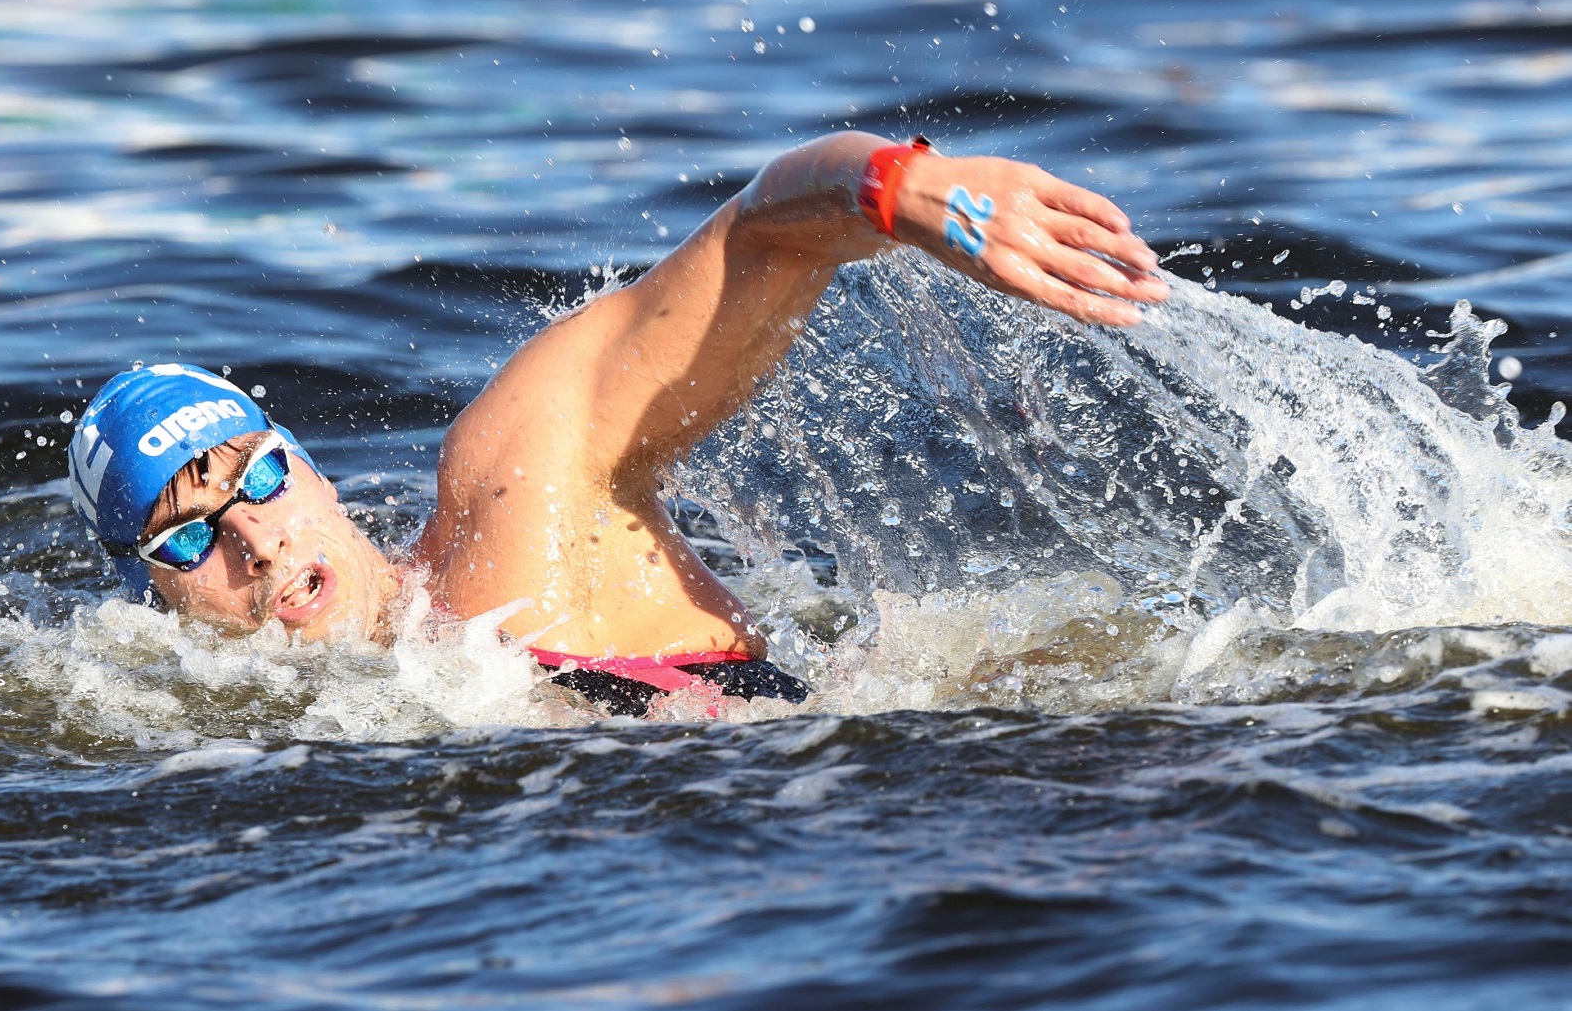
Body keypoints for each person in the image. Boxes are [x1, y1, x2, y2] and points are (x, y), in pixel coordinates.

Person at [66, 131, 1166, 716]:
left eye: (254, 480)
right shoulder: (224, 750)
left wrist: (898, 189)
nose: (252, 540)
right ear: (147, 600)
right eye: (184, 537)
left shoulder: (510, 495)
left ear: (312, 474)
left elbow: (758, 233)